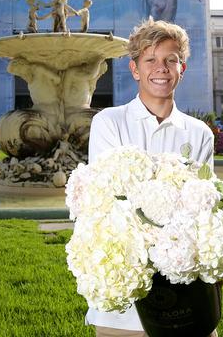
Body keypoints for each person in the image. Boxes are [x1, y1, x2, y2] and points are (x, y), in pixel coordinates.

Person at [86, 18, 216, 337]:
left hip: (187, 294)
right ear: (135, 69)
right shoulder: (109, 123)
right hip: (123, 306)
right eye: (151, 60)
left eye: (170, 60)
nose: (161, 68)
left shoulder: (199, 133)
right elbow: (108, 204)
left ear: (181, 69)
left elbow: (203, 208)